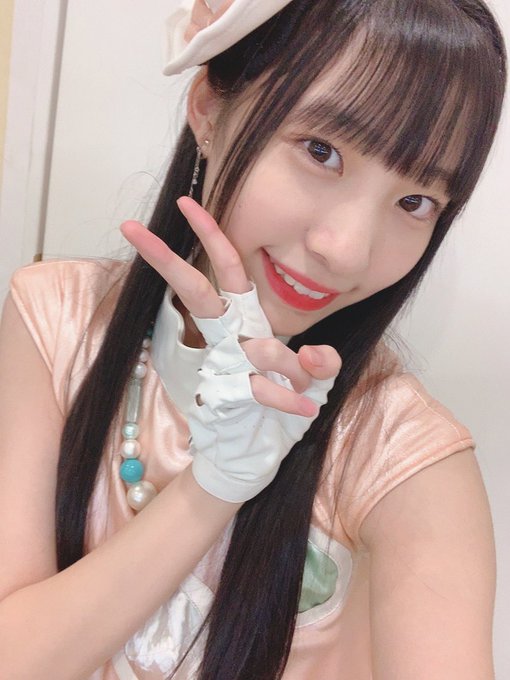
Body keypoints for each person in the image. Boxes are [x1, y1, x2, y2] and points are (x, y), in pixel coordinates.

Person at [0, 0, 506, 678]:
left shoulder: (403, 456)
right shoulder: (59, 319)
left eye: (415, 202)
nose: (347, 251)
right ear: (210, 109)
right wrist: (212, 488)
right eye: (322, 151)